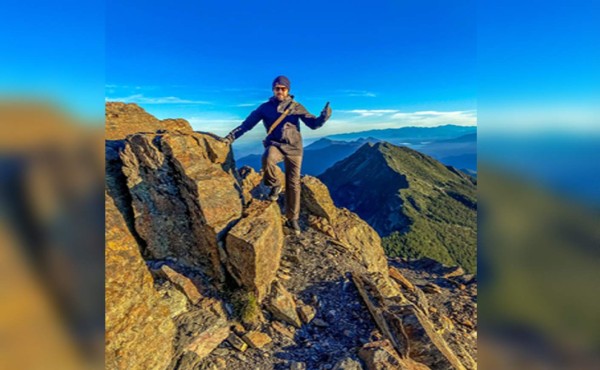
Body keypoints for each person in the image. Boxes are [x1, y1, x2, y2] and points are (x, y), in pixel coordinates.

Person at [223, 75, 331, 235]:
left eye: (283, 88)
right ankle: (274, 184)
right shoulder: (265, 108)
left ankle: (292, 218)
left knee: (293, 183)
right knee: (267, 158)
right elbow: (247, 125)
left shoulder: (296, 107)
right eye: (277, 88)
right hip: (276, 145)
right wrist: (230, 137)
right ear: (273, 90)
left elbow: (313, 125)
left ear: (288, 90)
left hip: (295, 149)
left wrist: (323, 117)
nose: (279, 91)